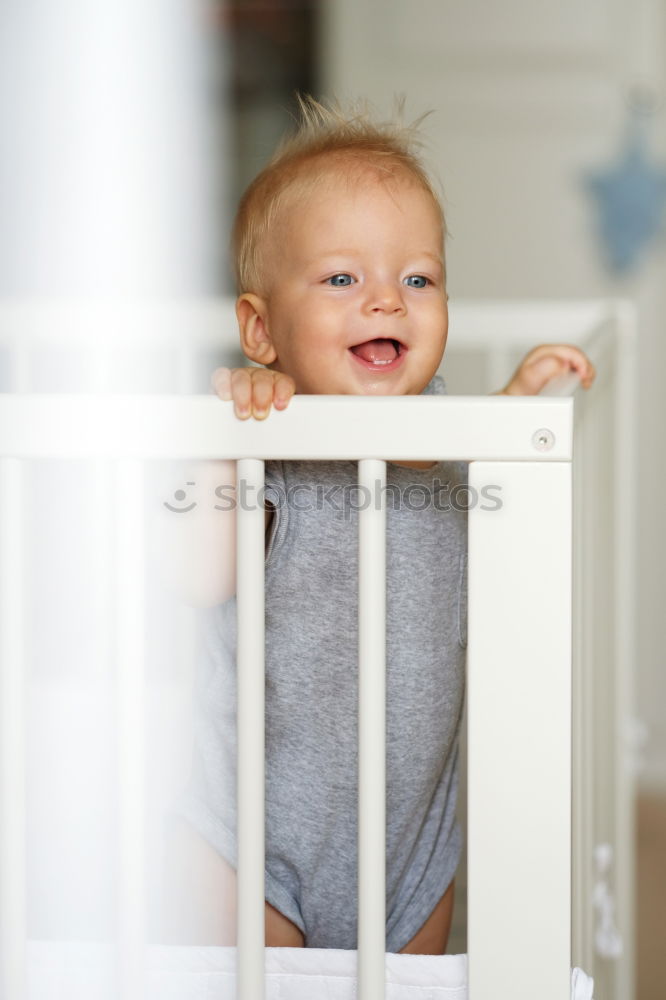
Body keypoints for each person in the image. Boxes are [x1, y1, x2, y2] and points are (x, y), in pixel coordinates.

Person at [164, 96, 595, 954]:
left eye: (417, 278)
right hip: (255, 837)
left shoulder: (450, 445)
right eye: (341, 279)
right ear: (261, 330)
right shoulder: (268, 448)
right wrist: (224, 439)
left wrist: (513, 417)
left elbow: (499, 530)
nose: (387, 302)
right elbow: (194, 575)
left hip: (411, 851)